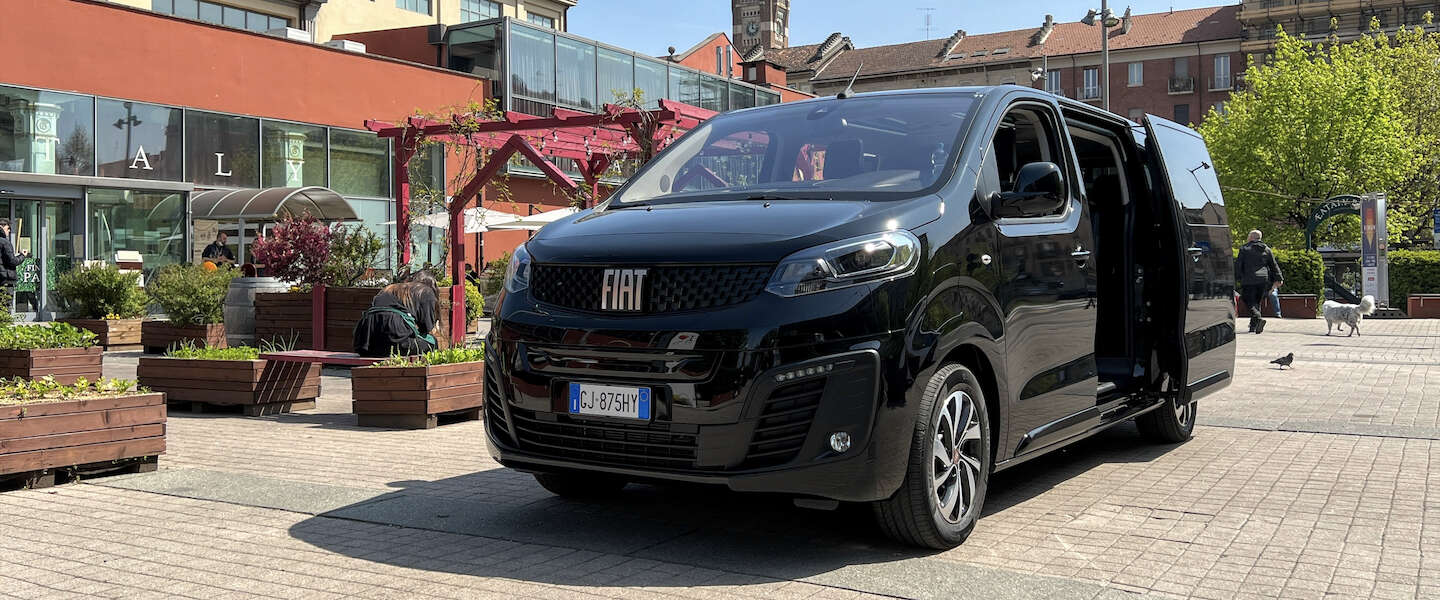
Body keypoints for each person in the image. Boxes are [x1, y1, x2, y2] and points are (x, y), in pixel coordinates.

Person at [353, 272, 440, 358]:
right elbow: (426, 327)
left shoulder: (391, 288)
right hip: (395, 337)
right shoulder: (426, 291)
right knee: (431, 343)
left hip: (364, 341)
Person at [1234, 229, 1283, 334]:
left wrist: (1237, 278)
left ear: (1251, 237)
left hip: (1249, 279)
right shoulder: (1267, 249)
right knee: (1256, 302)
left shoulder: (1245, 249)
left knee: (1248, 300)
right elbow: (1273, 265)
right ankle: (1253, 327)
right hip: (1263, 280)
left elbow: (1238, 265)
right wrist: (1279, 278)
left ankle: (1258, 318)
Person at [0, 219, 20, 309]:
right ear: (2, 227)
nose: (9, 231)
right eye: (8, 228)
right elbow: (12, 261)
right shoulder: (5, 242)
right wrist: (23, 256)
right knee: (5, 306)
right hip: (6, 279)